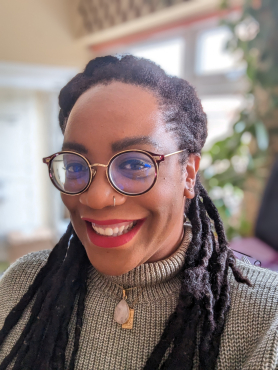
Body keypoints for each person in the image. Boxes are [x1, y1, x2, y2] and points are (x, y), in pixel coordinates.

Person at [0, 55, 278, 370]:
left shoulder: (267, 321)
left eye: (135, 164)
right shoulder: (20, 286)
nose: (97, 197)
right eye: (76, 166)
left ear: (188, 173)